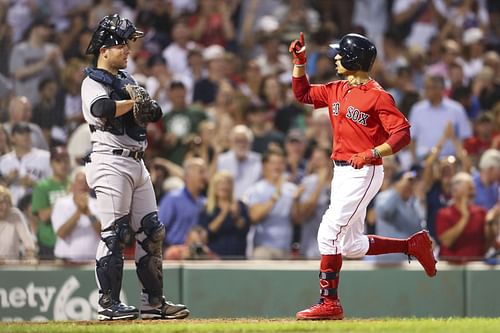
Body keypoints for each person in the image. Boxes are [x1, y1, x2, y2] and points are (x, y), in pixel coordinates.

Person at [289, 32, 437, 320]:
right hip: (341, 172)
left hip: (363, 171)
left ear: (354, 58)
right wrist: (299, 64)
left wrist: (372, 153)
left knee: (329, 232)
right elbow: (302, 94)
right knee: (351, 245)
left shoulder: (378, 96)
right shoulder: (337, 88)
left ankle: (329, 303)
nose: (335, 57)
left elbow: (403, 134)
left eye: (341, 53)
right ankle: (412, 244)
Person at [81, 14, 189, 321]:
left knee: (152, 231)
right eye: (122, 45)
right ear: (104, 49)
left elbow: (155, 112)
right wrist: (133, 103)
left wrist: (144, 102)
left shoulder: (128, 81)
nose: (128, 50)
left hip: (137, 162)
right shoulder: (92, 81)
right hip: (110, 160)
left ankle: (152, 304)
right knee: (114, 233)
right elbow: (101, 108)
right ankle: (108, 304)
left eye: (129, 44)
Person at [436, 172, 498, 263]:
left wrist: (490, 222)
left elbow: (488, 244)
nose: (472, 191)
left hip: (476, 266)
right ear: (455, 191)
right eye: (469, 188)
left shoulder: (481, 212)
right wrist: (465, 218)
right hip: (451, 267)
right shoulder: (444, 214)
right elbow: (447, 242)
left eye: (473, 188)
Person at [51, 167, 101, 262]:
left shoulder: (98, 204)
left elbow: (102, 232)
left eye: (87, 183)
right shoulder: (61, 204)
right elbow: (61, 233)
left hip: (93, 259)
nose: (84, 186)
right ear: (73, 185)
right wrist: (78, 212)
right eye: (80, 182)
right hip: (65, 259)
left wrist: (89, 212)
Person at [199, 171, 250, 259]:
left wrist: (236, 215)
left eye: (227, 183)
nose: (224, 186)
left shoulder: (240, 206)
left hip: (237, 256)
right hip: (214, 256)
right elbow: (206, 234)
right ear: (214, 187)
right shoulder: (207, 209)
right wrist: (223, 214)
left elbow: (244, 229)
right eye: (220, 183)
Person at [0, 184, 36, 261]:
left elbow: (29, 246)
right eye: (0, 202)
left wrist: (30, 257)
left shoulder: (15, 214)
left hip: (11, 267)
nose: (4, 206)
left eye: (6, 202)